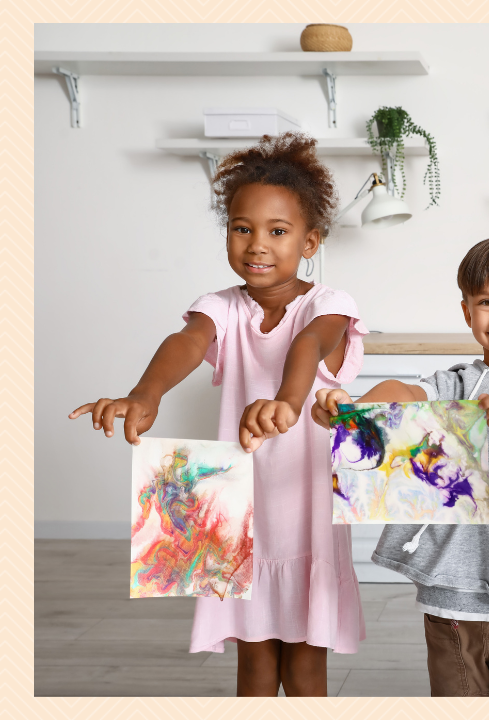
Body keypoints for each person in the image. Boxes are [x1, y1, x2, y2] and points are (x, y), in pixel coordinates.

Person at [69, 133, 367, 696]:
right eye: (241, 227)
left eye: (278, 231)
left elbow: (307, 346)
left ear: (310, 241)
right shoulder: (223, 306)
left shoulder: (329, 304)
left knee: (304, 661)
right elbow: (186, 340)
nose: (258, 244)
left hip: (308, 504)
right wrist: (145, 394)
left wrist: (288, 401)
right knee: (252, 660)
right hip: (239, 506)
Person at [313, 234, 489, 697]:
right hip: (449, 594)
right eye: (486, 301)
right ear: (466, 312)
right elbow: (405, 393)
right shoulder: (454, 384)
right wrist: (353, 411)